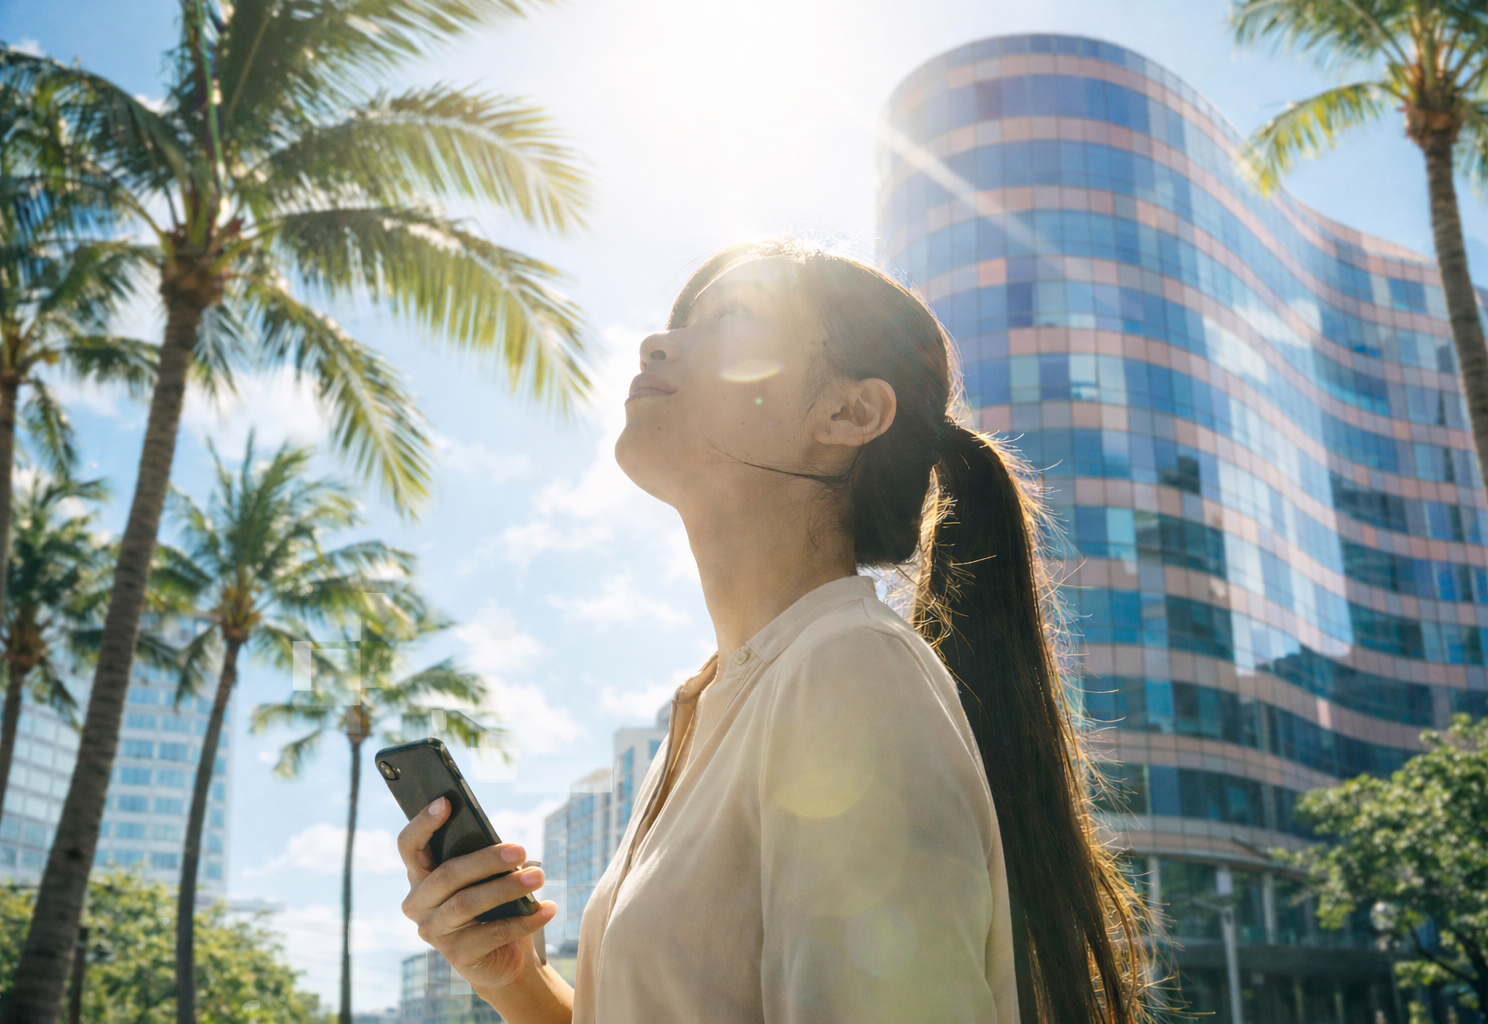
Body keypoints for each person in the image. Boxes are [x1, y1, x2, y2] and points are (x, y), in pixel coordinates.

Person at [394, 239, 1146, 1023]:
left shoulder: (849, 673)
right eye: (674, 325)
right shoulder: (716, 704)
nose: (658, 343)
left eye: (733, 320)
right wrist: (512, 977)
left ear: (850, 412)